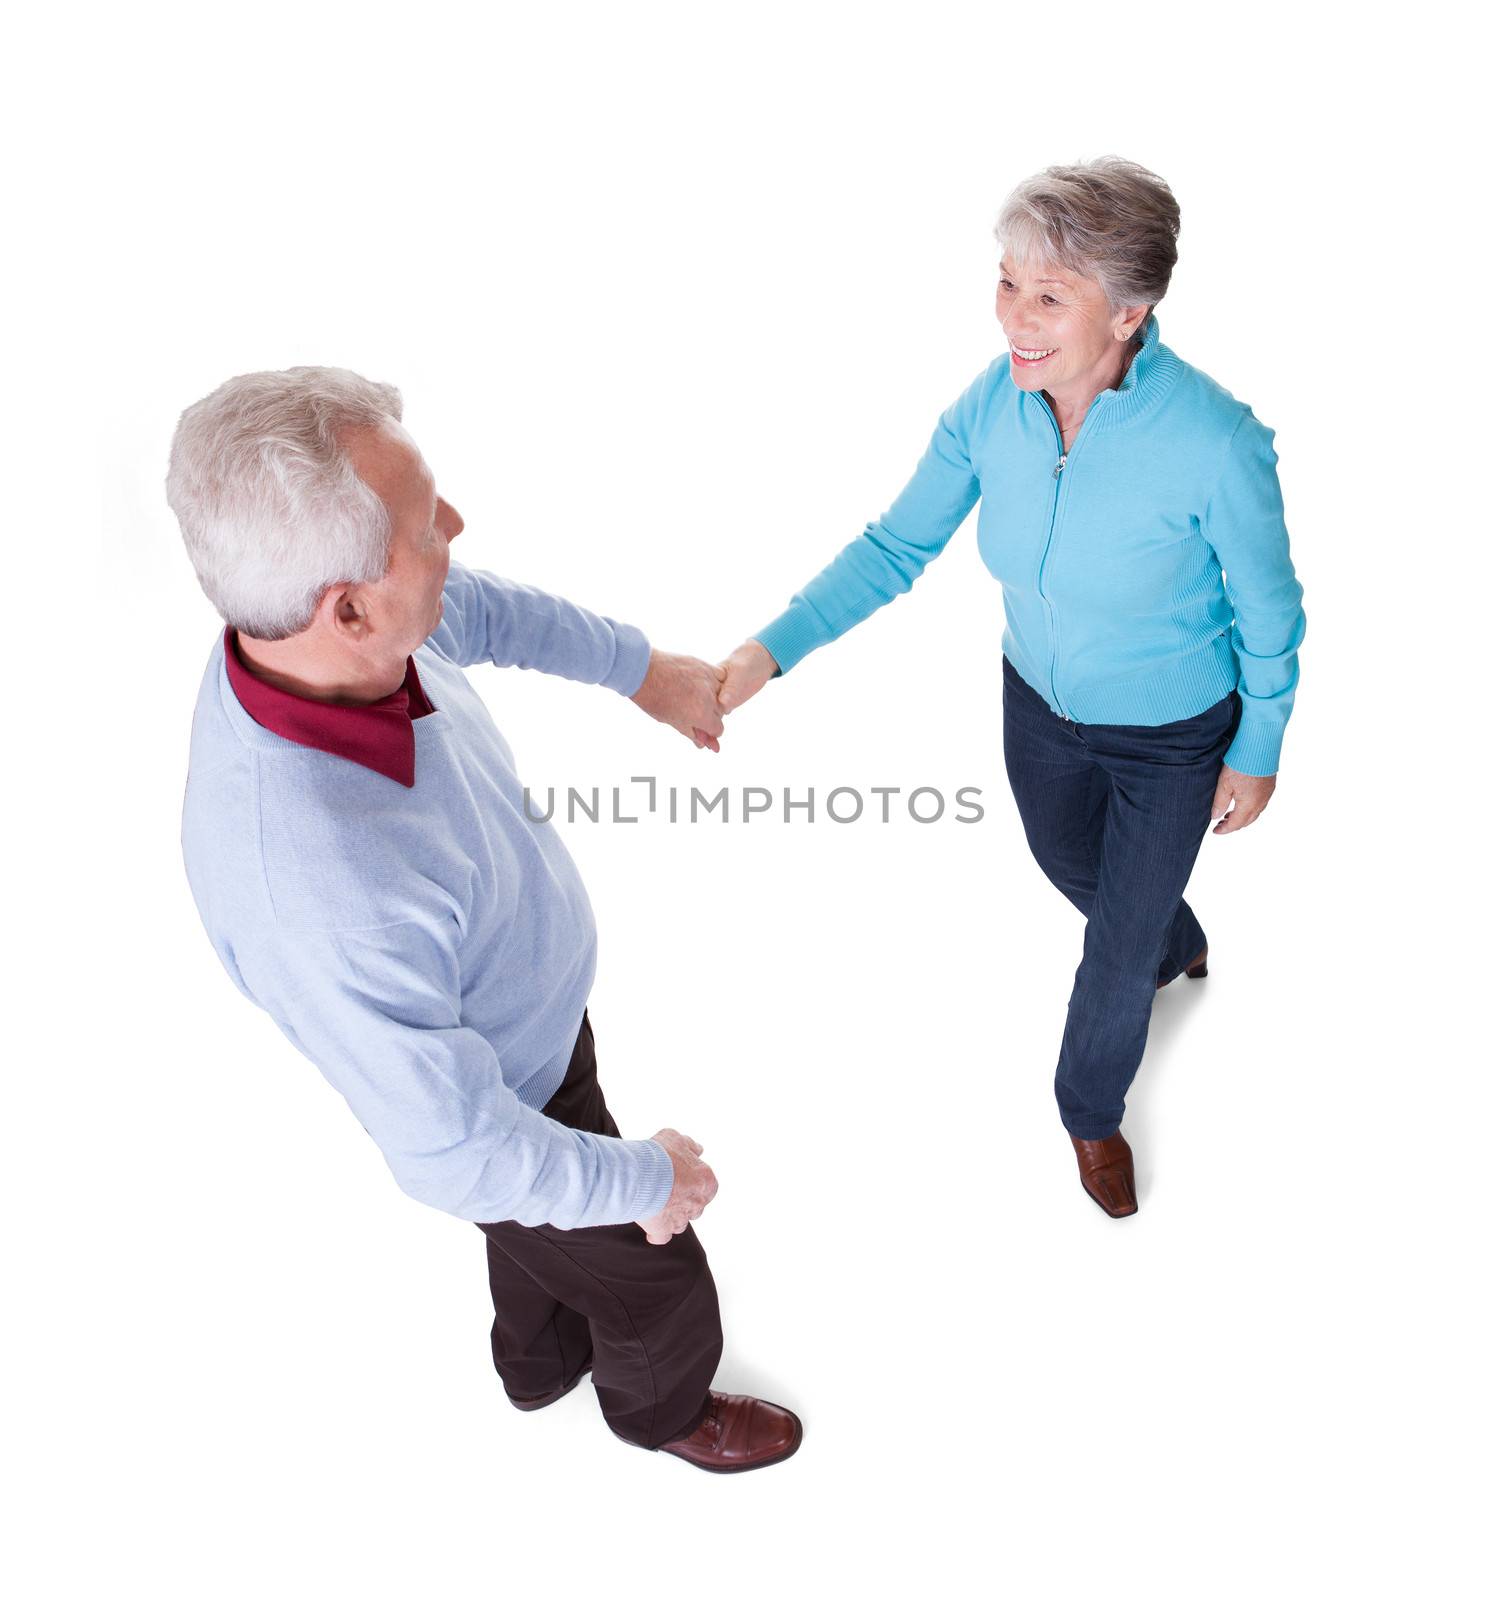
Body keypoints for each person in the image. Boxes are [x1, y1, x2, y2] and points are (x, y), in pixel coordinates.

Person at [171, 366, 801, 1471]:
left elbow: (476, 607)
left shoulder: (333, 641)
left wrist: (643, 672)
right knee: (657, 1278)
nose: (455, 527)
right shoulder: (318, 887)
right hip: (493, 1094)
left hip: (521, 1031)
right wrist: (648, 1180)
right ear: (348, 608)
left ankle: (534, 1363)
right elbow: (459, 1152)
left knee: (537, 1232)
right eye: (427, 525)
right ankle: (661, 1412)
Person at [716, 157, 1307, 1218]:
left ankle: (1088, 1111)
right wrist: (769, 650)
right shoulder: (992, 406)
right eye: (1005, 283)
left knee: (1113, 958)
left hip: (1173, 731)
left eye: (1047, 296)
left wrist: (1256, 745)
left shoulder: (1215, 441)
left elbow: (1269, 610)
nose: (1013, 321)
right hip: (1036, 707)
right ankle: (1175, 933)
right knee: (1068, 863)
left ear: (1129, 311)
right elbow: (895, 545)